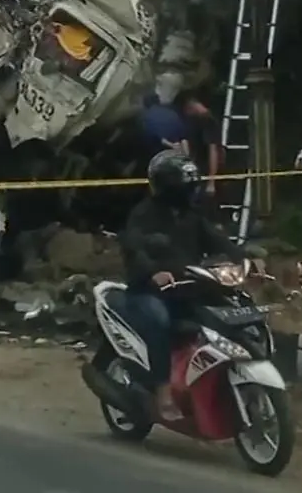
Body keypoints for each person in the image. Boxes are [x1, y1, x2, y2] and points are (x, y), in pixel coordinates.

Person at [119, 149, 248, 420]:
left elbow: (218, 241)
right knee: (159, 322)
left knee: (226, 312)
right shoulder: (144, 214)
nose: (191, 191)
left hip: (187, 289)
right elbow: (133, 247)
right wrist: (154, 272)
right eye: (186, 186)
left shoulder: (192, 215)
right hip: (148, 291)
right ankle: (163, 393)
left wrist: (246, 257)